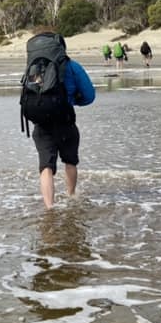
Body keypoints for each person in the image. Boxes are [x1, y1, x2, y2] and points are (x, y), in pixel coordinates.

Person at [30, 37, 96, 209]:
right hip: (65, 121)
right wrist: (73, 100)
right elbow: (89, 95)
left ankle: (49, 207)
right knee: (70, 161)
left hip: (41, 122)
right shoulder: (73, 67)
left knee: (46, 166)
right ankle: (71, 195)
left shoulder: (35, 66)